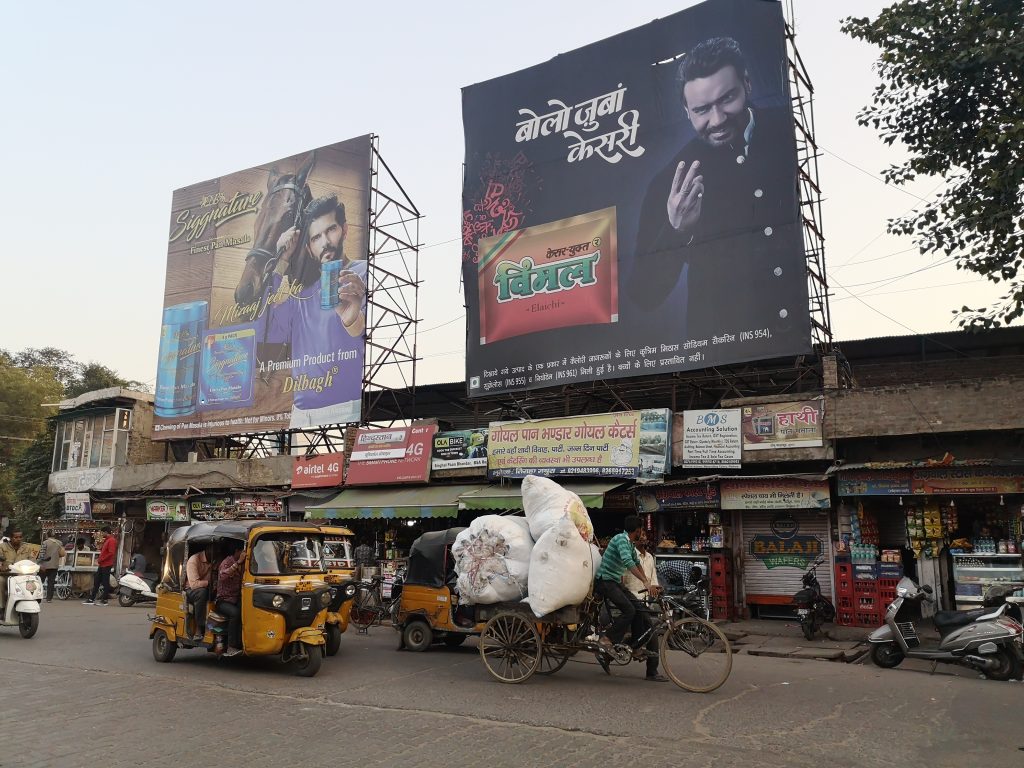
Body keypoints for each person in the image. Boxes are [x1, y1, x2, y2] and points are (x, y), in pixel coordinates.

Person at [630, 36, 802, 339]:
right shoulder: (669, 182)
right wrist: (676, 230)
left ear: (747, 84)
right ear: (686, 110)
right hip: (725, 367)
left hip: (798, 340)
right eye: (702, 110)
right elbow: (643, 295)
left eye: (727, 99)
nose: (718, 119)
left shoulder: (788, 130)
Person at [267, 194, 368, 428]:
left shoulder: (365, 272)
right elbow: (267, 328)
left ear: (344, 229)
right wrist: (282, 259)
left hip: (350, 408)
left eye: (330, 230)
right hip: (302, 414)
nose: (324, 242)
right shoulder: (302, 295)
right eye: (315, 237)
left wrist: (353, 320)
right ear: (309, 248)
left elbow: (376, 338)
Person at [593, 516, 667, 682]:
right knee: (630, 610)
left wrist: (647, 582)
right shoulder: (621, 539)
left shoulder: (631, 545)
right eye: (641, 530)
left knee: (638, 612)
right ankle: (606, 638)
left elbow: (635, 561)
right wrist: (645, 582)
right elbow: (628, 562)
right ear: (638, 530)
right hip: (605, 581)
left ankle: (633, 646)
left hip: (616, 584)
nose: (643, 534)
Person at [215, 542, 245, 657]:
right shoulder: (226, 562)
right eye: (242, 551)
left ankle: (241, 642)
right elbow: (223, 577)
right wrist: (238, 563)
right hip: (223, 601)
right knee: (235, 613)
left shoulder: (243, 563)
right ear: (237, 551)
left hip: (236, 599)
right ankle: (230, 646)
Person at [84, 526, 117, 606]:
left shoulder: (111, 540)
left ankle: (104, 600)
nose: (102, 534)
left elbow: (111, 553)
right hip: (102, 564)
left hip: (106, 564)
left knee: (105, 582)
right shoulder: (107, 540)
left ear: (106, 532)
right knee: (97, 581)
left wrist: (102, 559)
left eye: (102, 532)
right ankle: (92, 598)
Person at [0, 530, 34, 609]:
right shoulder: (2, 546)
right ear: (11, 538)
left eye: (20, 537)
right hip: (6, 575)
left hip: (22, 576)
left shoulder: (27, 547)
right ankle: (1, 607)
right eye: (16, 537)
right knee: (0, 581)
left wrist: (38, 565)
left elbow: (32, 560)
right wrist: (2, 567)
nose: (18, 539)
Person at [184, 547, 212, 638]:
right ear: (208, 550)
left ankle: (213, 626)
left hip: (206, 587)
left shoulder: (213, 560)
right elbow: (194, 584)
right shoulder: (194, 560)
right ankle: (199, 627)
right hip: (191, 590)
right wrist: (208, 583)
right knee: (202, 593)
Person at [622, 536, 659, 600]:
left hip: (647, 598)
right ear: (634, 540)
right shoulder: (629, 555)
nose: (642, 537)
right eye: (639, 535)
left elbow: (653, 577)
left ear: (647, 540)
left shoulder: (650, 557)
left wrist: (655, 587)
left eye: (644, 535)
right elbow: (622, 574)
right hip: (632, 597)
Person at [37, 534, 66, 602]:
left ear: (47, 535)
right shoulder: (59, 543)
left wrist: (38, 563)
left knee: (40, 581)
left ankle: (38, 596)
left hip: (45, 565)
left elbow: (41, 554)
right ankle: (49, 598)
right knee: (51, 582)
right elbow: (61, 553)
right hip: (54, 565)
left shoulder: (45, 543)